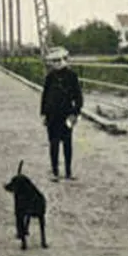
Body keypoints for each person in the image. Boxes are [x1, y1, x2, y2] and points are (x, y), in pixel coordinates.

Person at [40, 47, 83, 182]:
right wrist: (43, 113)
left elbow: (79, 97)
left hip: (66, 114)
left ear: (65, 60)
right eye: (55, 61)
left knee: (67, 143)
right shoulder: (50, 77)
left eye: (60, 60)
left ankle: (68, 171)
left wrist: (75, 112)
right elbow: (45, 96)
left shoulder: (72, 76)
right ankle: (55, 171)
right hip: (52, 115)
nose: (58, 63)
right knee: (54, 143)